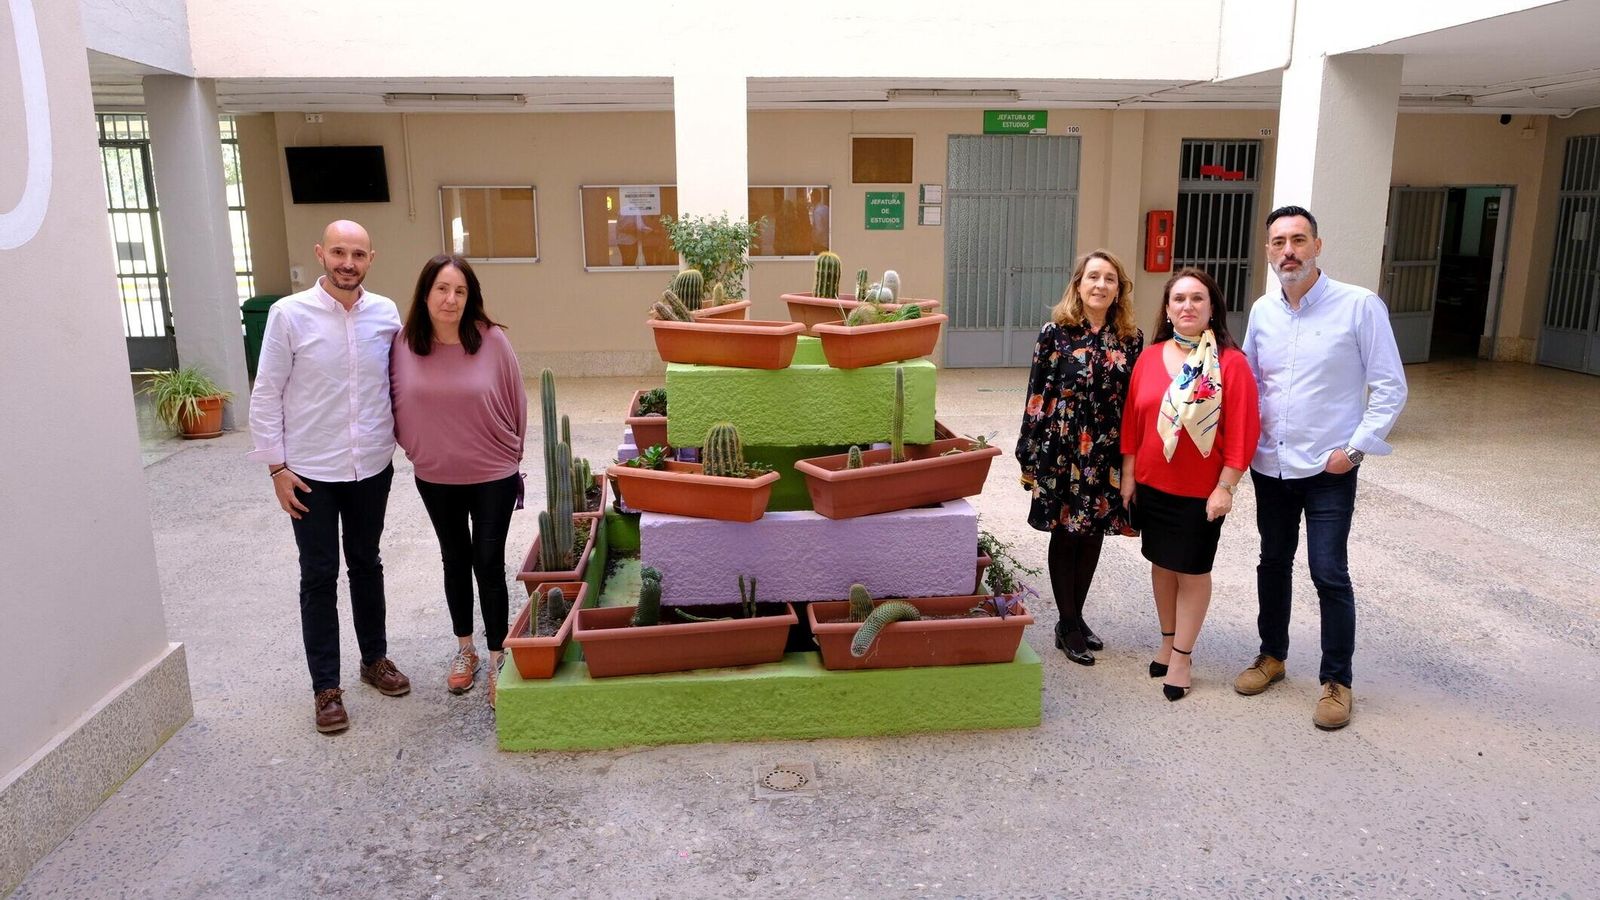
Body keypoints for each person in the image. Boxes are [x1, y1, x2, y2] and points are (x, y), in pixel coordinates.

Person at [1234, 205, 1407, 731]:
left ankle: (1337, 681)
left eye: (1299, 240)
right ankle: (1273, 657)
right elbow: (1248, 386)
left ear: (1317, 246)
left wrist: (1352, 450)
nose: (1289, 251)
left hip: (1329, 469)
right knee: (1273, 564)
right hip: (1272, 466)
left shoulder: (1359, 306)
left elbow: (1390, 387)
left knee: (1328, 571)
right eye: (1279, 242)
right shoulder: (1263, 311)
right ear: (1268, 251)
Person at [248, 220, 410, 735]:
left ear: (371, 258)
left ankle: (374, 659)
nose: (348, 262)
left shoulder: (385, 314)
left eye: (358, 254)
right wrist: (276, 467)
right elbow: (267, 392)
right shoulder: (288, 314)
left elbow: (401, 383)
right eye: (339, 252)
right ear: (321, 253)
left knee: (367, 564)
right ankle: (326, 689)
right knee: (318, 576)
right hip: (310, 473)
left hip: (370, 468)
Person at [391, 255, 527, 708]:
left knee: (487, 561)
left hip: (492, 474)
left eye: (460, 291)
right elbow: (396, 402)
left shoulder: (491, 340)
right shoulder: (404, 344)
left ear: (471, 298)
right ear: (425, 294)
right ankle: (465, 649)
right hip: (435, 476)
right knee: (455, 558)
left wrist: (512, 452)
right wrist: (415, 449)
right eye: (442, 290)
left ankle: (497, 659)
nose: (451, 300)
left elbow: (516, 400)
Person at [1120, 268, 1260, 701]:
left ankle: (1182, 656)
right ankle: (1166, 639)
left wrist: (1227, 486)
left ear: (1212, 307)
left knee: (1192, 571)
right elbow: (1133, 419)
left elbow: (1242, 430)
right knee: (1162, 564)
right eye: (1179, 299)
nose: (1187, 306)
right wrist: (1128, 476)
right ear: (1166, 308)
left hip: (1201, 491)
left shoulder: (1230, 364)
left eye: (1197, 298)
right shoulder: (1149, 356)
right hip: (1151, 483)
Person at [1016, 249, 1144, 666]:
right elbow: (1038, 395)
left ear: (1118, 289)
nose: (1100, 285)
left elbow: (1134, 404)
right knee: (1066, 531)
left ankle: (1076, 615)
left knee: (1091, 533)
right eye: (1093, 277)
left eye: (1109, 278)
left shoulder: (1131, 339)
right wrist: (1029, 453)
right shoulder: (1055, 333)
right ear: (1078, 284)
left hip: (1106, 449)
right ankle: (1067, 624)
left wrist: (1132, 460)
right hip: (1063, 448)